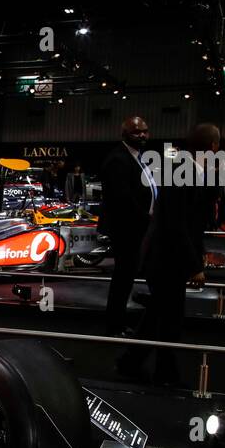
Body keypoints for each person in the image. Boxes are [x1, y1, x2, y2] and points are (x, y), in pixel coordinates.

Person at [118, 123, 218, 384]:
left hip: (167, 256)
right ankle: (165, 373)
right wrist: (194, 264)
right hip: (165, 258)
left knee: (159, 315)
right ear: (214, 147)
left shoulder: (186, 170)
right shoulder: (183, 172)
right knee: (169, 320)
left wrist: (198, 255)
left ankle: (132, 361)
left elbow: (190, 224)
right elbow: (175, 224)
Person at [98, 116, 156, 335]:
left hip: (139, 227)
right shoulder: (118, 160)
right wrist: (147, 219)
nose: (142, 135)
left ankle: (122, 321)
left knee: (128, 276)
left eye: (145, 131)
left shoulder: (137, 157)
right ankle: (114, 326)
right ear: (125, 135)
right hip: (127, 229)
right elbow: (123, 201)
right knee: (123, 278)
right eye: (136, 132)